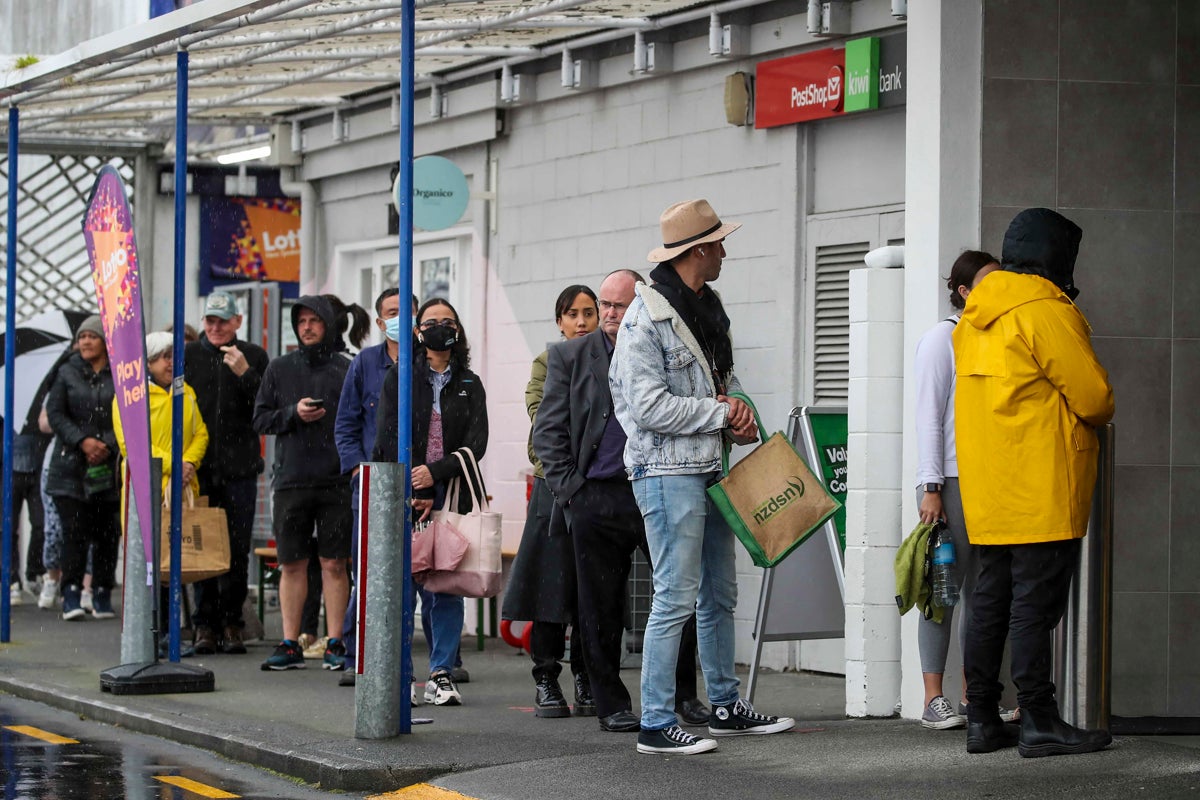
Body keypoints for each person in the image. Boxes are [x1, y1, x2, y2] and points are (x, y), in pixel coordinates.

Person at [610, 199, 795, 755]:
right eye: (718, 243)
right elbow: (647, 407)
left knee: (719, 593)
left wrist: (736, 409)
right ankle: (656, 723)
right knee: (675, 596)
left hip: (708, 467)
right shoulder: (647, 318)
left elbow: (721, 379)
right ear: (697, 251)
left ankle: (725, 705)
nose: (724, 251)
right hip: (665, 472)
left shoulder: (703, 306)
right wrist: (721, 413)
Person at [954, 207, 1115, 757]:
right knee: (1033, 608)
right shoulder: (1046, 311)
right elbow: (1095, 399)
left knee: (989, 602)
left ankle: (980, 717)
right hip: (1044, 482)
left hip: (989, 486)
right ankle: (1039, 719)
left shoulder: (976, 316)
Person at [536, 269, 709, 733]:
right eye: (605, 305)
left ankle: (685, 696)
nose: (611, 314)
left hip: (656, 483)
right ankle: (611, 702)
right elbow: (548, 431)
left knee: (677, 596)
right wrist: (573, 492)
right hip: (596, 495)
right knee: (600, 607)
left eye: (620, 304)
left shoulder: (661, 344)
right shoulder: (569, 356)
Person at [373, 298, 488, 706]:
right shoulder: (400, 377)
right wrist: (416, 486)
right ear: (418, 331)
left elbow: (477, 443)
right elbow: (388, 436)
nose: (440, 327)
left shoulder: (470, 383)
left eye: (448, 322)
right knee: (402, 586)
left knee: (444, 585)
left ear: (458, 331)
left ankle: (441, 674)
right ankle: (401, 674)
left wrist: (435, 476)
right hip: (405, 494)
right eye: (431, 322)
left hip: (450, 494)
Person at [914, 250, 1006, 730]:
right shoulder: (942, 338)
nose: (998, 288)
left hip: (986, 481)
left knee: (983, 594)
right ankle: (933, 699)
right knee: (942, 592)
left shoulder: (992, 338)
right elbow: (928, 418)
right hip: (946, 484)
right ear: (964, 291)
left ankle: (975, 695)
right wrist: (931, 488)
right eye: (988, 281)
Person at [504, 284, 599, 718]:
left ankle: (585, 675)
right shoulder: (547, 363)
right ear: (559, 321)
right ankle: (545, 678)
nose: (581, 321)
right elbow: (544, 419)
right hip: (554, 486)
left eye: (588, 313)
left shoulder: (613, 361)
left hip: (598, 489)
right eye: (572, 314)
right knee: (549, 586)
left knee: (590, 592)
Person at [253, 295, 354, 671]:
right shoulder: (279, 368)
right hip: (292, 481)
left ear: (328, 324)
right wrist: (292, 413)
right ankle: (290, 641)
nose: (307, 327)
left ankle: (336, 641)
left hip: (336, 481)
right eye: (301, 321)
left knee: (333, 563)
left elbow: (360, 420)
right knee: (291, 563)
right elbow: (261, 420)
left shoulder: (346, 368)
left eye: (315, 320)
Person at [186, 290, 271, 655]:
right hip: (199, 468)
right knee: (200, 547)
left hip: (239, 468)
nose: (216, 327)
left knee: (237, 547)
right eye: (210, 320)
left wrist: (245, 374)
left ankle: (233, 622)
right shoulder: (188, 356)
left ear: (238, 321)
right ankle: (204, 625)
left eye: (223, 320)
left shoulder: (253, 356)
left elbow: (267, 409)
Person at [113, 331, 209, 638]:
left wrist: (190, 462)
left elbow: (200, 433)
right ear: (149, 361)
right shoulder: (130, 395)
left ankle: (179, 628)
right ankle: (150, 629)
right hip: (148, 489)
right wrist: (175, 465)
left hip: (181, 488)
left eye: (174, 356)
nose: (172, 362)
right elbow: (133, 442)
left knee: (178, 558)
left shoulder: (187, 392)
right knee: (152, 561)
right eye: (165, 356)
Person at [43, 315, 121, 621]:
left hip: (109, 469)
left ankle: (102, 592)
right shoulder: (66, 371)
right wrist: (84, 441)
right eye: (82, 337)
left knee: (106, 534)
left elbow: (130, 410)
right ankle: (71, 593)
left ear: (105, 341)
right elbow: (56, 413)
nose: (85, 342)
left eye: (92, 336)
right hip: (70, 468)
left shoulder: (121, 371)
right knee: (74, 533)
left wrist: (107, 444)